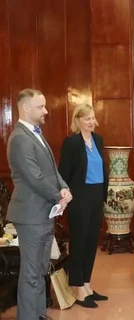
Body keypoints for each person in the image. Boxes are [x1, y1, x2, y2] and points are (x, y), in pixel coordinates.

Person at [6, 88, 72, 320]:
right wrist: (59, 196)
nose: (46, 111)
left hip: (44, 214)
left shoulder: (36, 134)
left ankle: (39, 314)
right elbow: (35, 177)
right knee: (31, 273)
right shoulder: (20, 139)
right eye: (40, 107)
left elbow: (51, 171)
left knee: (41, 269)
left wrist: (63, 187)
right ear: (25, 108)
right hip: (31, 215)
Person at [58, 103, 109, 308]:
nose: (91, 122)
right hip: (79, 197)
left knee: (91, 241)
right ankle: (77, 288)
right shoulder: (71, 143)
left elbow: (102, 169)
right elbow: (63, 173)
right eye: (86, 118)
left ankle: (87, 284)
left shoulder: (98, 140)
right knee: (78, 242)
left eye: (93, 117)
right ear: (77, 121)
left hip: (96, 196)